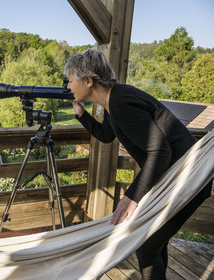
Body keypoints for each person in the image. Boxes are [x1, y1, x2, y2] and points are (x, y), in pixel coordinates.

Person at [64, 49, 212, 280]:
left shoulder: (122, 103)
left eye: (71, 80)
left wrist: (131, 197)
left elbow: (160, 152)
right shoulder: (114, 101)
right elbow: (105, 135)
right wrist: (81, 114)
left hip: (190, 178)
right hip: (176, 177)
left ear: (88, 80)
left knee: (147, 245)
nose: (68, 86)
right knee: (152, 242)